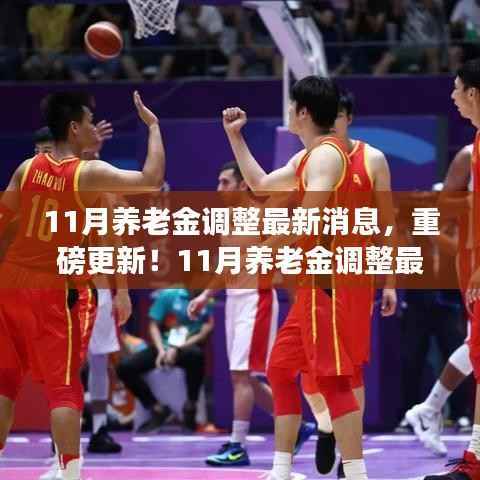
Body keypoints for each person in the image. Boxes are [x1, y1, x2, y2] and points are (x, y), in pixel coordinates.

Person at [0, 90, 164, 480]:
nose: (94, 127)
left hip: (12, 282)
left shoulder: (26, 168)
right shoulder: (87, 174)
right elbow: (152, 179)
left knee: (5, 382)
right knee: (63, 387)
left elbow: (3, 222)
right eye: (90, 121)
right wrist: (154, 127)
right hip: (56, 286)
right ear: (74, 128)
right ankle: (71, 474)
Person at [221, 75, 369, 480]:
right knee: (281, 369)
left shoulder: (326, 156)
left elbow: (308, 216)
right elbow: (260, 184)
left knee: (334, 381)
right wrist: (235, 137)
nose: (288, 112)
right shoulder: (307, 158)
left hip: (330, 282)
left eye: (291, 106)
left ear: (303, 112)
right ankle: (281, 469)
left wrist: (263, 250)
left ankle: (357, 474)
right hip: (311, 285)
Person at [187, 161, 315, 467]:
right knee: (245, 377)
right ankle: (297, 428)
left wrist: (299, 306)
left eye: (225, 182)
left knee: (241, 376)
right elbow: (227, 265)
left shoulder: (263, 215)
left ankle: (237, 446)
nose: (219, 188)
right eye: (218, 182)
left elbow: (285, 261)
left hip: (257, 300)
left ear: (243, 184)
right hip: (234, 301)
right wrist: (205, 295)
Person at [299, 89, 397, 478]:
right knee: (309, 375)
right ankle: (326, 425)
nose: (332, 122)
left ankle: (349, 457)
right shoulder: (309, 158)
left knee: (350, 371)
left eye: (338, 115)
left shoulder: (373, 159)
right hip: (311, 275)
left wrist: (390, 282)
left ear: (348, 118)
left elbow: (386, 226)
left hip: (353, 278)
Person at [423, 58, 480, 479]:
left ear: (474, 93)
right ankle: (474, 458)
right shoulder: (474, 144)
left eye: (457, 88)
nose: (453, 96)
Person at [405, 144, 474, 458]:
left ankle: (431, 408)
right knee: (468, 346)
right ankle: (429, 409)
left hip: (447, 300)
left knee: (472, 346)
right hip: (433, 296)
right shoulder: (427, 222)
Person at [116, 288, 214, 433]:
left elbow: (205, 331)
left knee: (197, 356)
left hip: (187, 348)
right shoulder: (169, 295)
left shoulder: (208, 300)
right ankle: (157, 408)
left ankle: (190, 409)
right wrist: (162, 350)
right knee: (125, 367)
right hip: (161, 347)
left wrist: (178, 348)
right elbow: (153, 324)